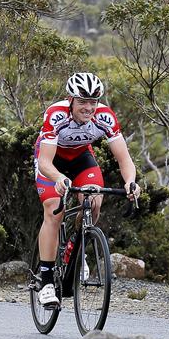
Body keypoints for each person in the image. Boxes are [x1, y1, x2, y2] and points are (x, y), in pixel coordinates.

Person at [34, 72, 140, 307]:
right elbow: (44, 163)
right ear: (70, 100)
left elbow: (124, 159)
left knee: (94, 201)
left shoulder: (105, 117)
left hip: (82, 158)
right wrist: (59, 178)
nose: (89, 107)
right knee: (54, 209)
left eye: (93, 101)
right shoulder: (56, 115)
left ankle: (76, 247)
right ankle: (47, 282)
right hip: (52, 161)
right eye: (82, 101)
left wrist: (130, 182)